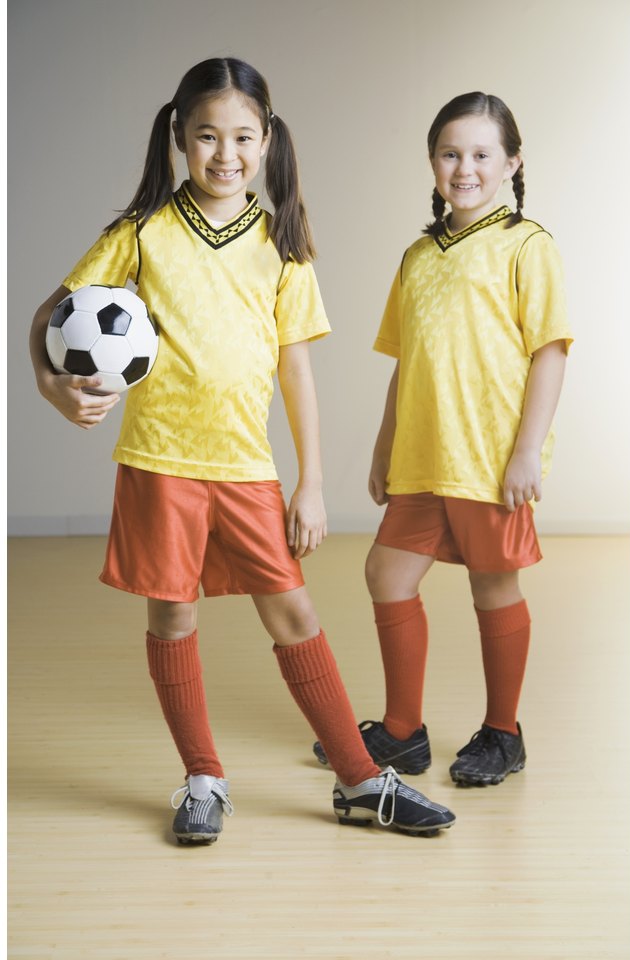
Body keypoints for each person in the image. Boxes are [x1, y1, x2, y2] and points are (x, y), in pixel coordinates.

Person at [29, 57, 455, 843]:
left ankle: (360, 780)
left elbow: (296, 367)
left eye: (242, 138)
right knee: (173, 615)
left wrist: (312, 482)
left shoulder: (281, 240)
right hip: (159, 461)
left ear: (267, 141)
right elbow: (51, 315)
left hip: (244, 469)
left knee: (293, 610)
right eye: (206, 137)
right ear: (178, 140)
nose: (224, 154)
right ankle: (201, 777)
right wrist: (53, 387)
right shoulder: (140, 233)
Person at [313, 91, 573, 787]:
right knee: (385, 574)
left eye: (482, 154)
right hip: (424, 457)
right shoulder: (417, 256)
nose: (466, 168)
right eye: (451, 153)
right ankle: (403, 732)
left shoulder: (528, 245)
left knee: (493, 587)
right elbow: (409, 361)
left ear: (511, 162)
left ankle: (503, 732)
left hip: (490, 460)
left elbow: (550, 351)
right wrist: (381, 447)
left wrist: (525, 452)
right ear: (433, 163)